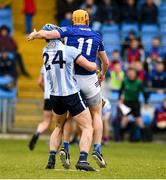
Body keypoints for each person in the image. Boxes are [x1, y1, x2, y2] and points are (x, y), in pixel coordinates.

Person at [27, 9, 109, 168]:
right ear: (87, 20)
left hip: (65, 84)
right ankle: (96, 150)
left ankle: (63, 148)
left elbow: (50, 34)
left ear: (73, 20)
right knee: (95, 115)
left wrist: (35, 35)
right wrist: (101, 73)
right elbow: (104, 62)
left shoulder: (64, 34)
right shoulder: (95, 36)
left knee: (66, 120)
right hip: (88, 79)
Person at [39, 24, 97, 171]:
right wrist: (97, 66)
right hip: (71, 94)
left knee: (58, 126)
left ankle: (51, 159)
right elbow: (89, 67)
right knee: (87, 126)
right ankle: (83, 160)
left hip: (54, 96)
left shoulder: (44, 51)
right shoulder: (70, 50)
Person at [119, 67, 151, 142]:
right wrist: (119, 99)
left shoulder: (139, 83)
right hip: (126, 103)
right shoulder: (125, 81)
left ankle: (144, 138)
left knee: (139, 121)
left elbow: (144, 93)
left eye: (132, 73)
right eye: (129, 73)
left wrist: (146, 102)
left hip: (135, 104)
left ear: (135, 74)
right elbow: (121, 91)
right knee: (124, 120)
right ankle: (120, 138)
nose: (131, 74)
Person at [28, 66, 53, 151]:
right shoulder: (61, 60)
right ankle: (54, 147)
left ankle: (37, 132)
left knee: (46, 121)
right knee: (60, 124)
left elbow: (39, 82)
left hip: (47, 98)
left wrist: (45, 91)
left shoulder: (44, 66)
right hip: (58, 96)